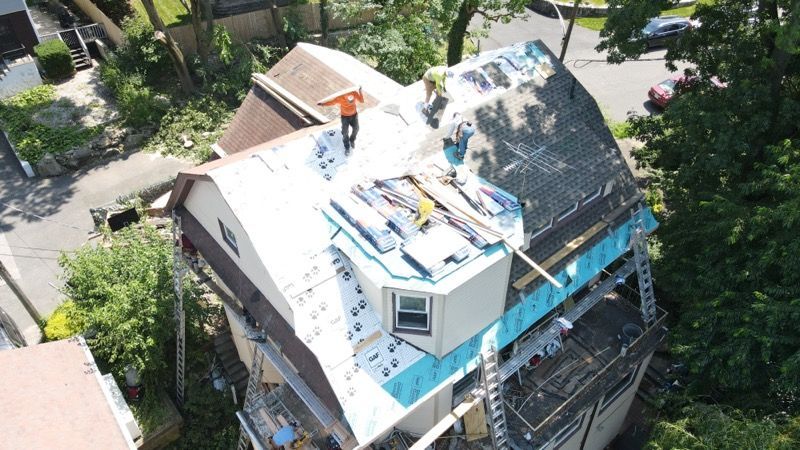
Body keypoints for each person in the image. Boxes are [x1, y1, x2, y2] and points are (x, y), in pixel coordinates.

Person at [318, 87, 364, 155]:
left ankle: (352, 140)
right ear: (345, 96)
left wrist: (360, 92)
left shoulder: (354, 93)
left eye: (351, 100)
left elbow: (362, 101)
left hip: (354, 115)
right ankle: (347, 147)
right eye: (349, 100)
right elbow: (331, 102)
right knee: (345, 133)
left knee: (356, 128)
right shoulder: (340, 98)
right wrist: (323, 104)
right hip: (345, 117)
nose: (350, 101)